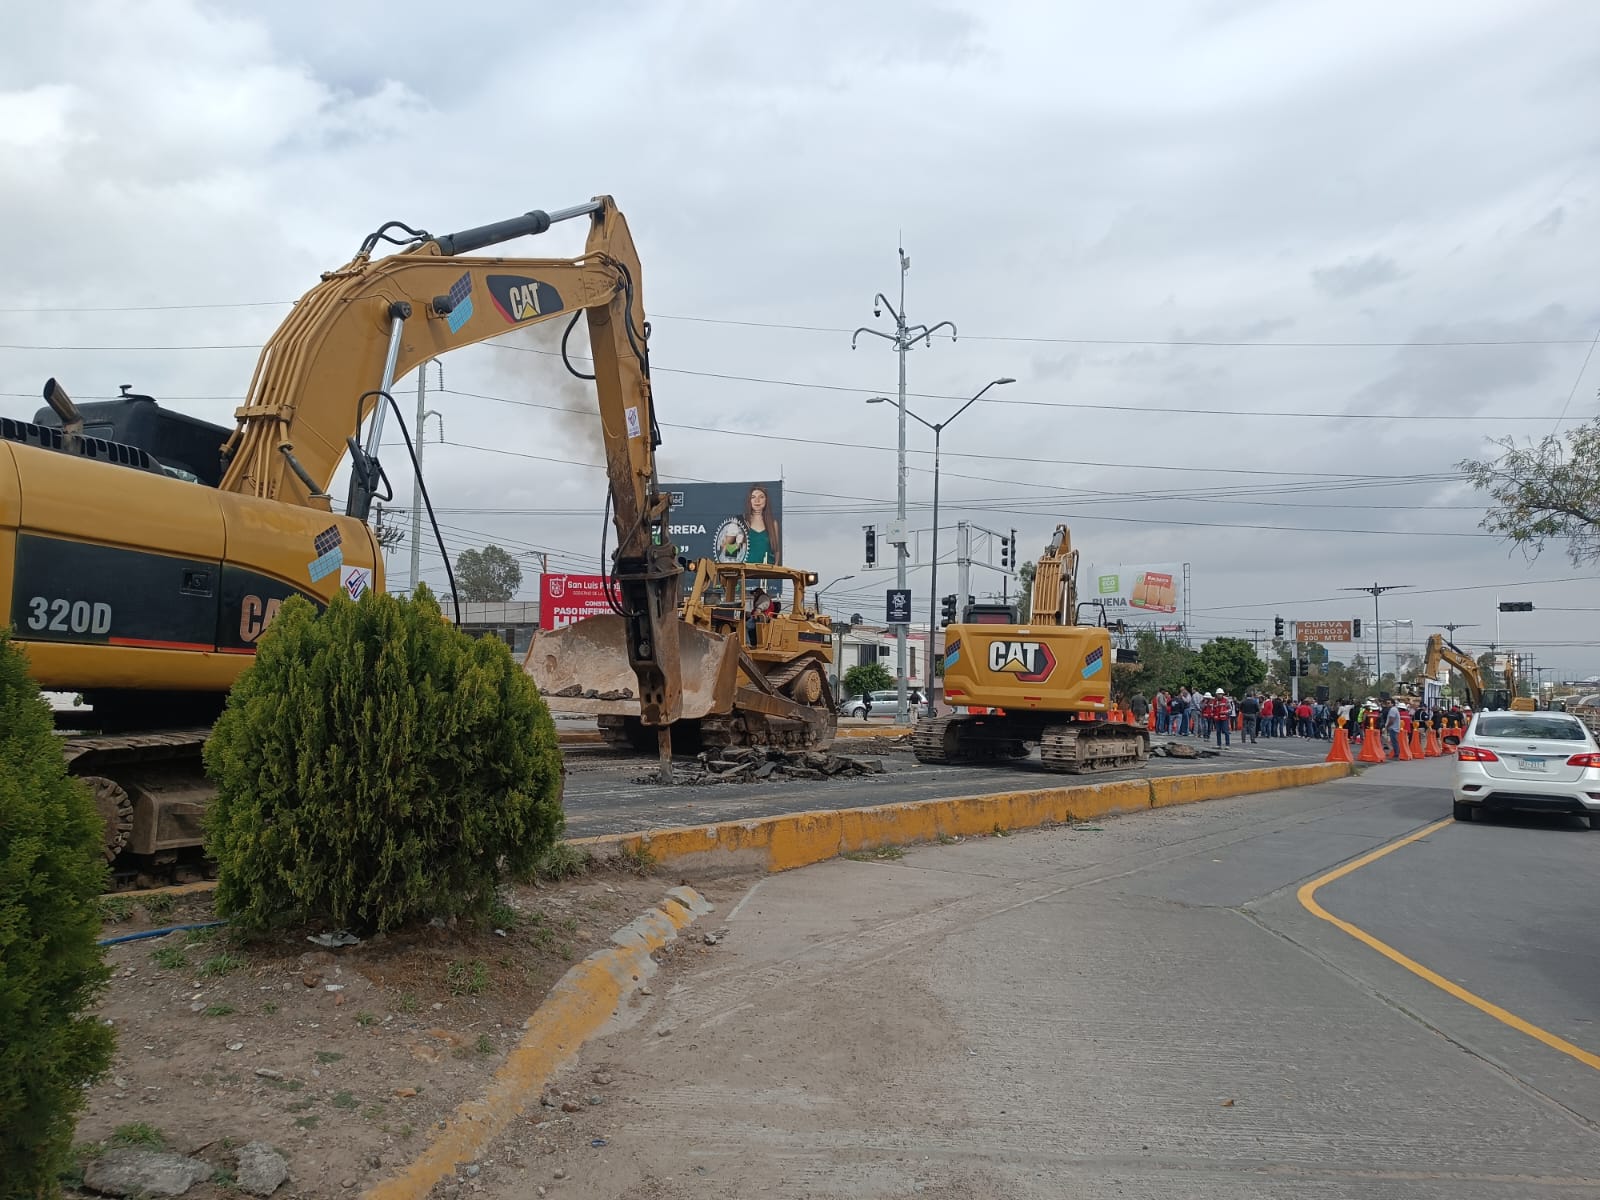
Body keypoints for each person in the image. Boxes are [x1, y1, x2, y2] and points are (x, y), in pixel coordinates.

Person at [741, 485, 781, 565]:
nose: (757, 500)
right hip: (746, 574)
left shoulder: (773, 524)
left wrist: (774, 570)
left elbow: (776, 551)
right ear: (749, 500)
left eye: (761, 497)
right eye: (753, 497)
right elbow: (728, 550)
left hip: (766, 574)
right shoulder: (742, 521)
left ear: (766, 500)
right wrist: (737, 544)